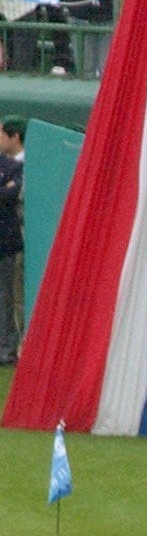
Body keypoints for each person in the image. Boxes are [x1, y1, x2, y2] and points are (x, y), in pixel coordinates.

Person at [0, 117, 23, 364]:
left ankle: (6, 349)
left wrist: (6, 189)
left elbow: (11, 193)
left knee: (6, 298)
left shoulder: (11, 166)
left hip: (5, 242)